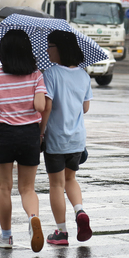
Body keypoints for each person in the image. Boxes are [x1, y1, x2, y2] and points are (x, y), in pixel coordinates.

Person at [0, 30, 46, 252]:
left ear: (3, 52)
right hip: (29, 134)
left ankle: (6, 237)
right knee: (27, 188)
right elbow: (40, 107)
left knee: (4, 188)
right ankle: (33, 217)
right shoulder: (36, 75)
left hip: (5, 135)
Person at [40, 30, 93, 246]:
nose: (47, 50)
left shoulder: (50, 74)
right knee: (70, 179)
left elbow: (47, 106)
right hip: (77, 140)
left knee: (55, 185)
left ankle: (61, 233)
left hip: (56, 139)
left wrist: (41, 131)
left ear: (60, 48)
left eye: (50, 46)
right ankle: (79, 211)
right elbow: (86, 107)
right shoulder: (83, 75)